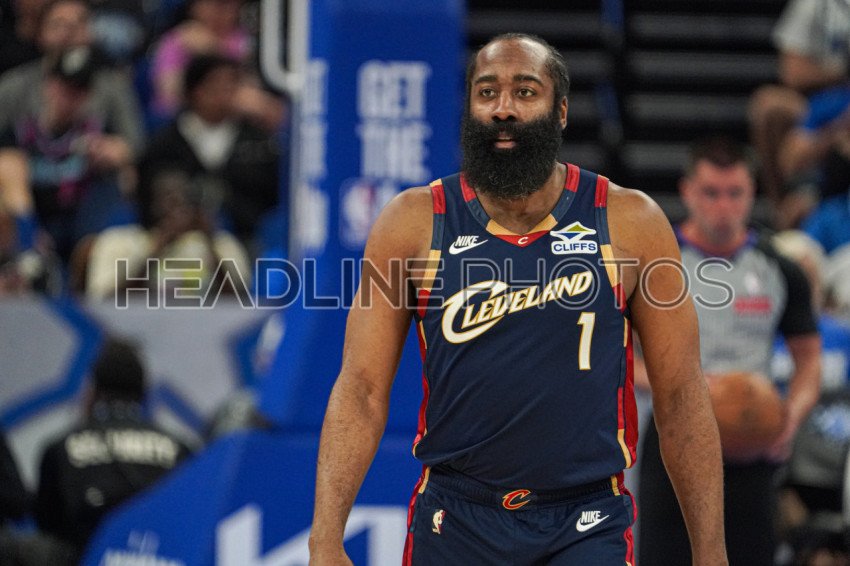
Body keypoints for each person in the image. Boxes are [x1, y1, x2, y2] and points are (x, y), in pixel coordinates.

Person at [309, 33, 727, 565]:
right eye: (487, 92)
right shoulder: (413, 222)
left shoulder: (630, 220)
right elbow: (362, 389)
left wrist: (711, 551)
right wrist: (325, 539)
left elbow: (681, 396)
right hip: (456, 516)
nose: (503, 108)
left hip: (586, 521)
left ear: (561, 112)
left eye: (525, 92)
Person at [636, 137, 822, 566]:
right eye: (711, 192)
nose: (723, 206)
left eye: (735, 193)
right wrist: (686, 386)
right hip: (672, 442)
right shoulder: (654, 266)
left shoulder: (780, 269)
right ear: (687, 191)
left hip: (750, 444)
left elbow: (809, 358)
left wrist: (790, 418)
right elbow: (617, 354)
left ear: (752, 192)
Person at [34, 337, 191, 558]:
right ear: (144, 391)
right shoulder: (179, 450)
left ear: (93, 389)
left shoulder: (60, 449)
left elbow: (47, 525)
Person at [0, 46, 135, 262]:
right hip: (34, 222)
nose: (70, 97)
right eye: (64, 87)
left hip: (80, 225)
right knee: (8, 169)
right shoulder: (18, 133)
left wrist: (117, 155)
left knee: (116, 184)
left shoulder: (97, 133)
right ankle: (28, 257)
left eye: (79, 90)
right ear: (48, 86)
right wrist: (29, 230)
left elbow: (125, 153)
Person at [138, 53, 279, 253]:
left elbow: (269, 197)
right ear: (195, 90)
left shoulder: (258, 142)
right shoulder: (165, 143)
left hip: (244, 240)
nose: (224, 93)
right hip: (174, 241)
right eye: (215, 85)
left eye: (231, 85)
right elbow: (147, 195)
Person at [749, 0, 850, 228]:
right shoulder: (829, 100)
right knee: (772, 109)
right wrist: (832, 134)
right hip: (829, 105)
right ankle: (789, 217)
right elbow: (792, 158)